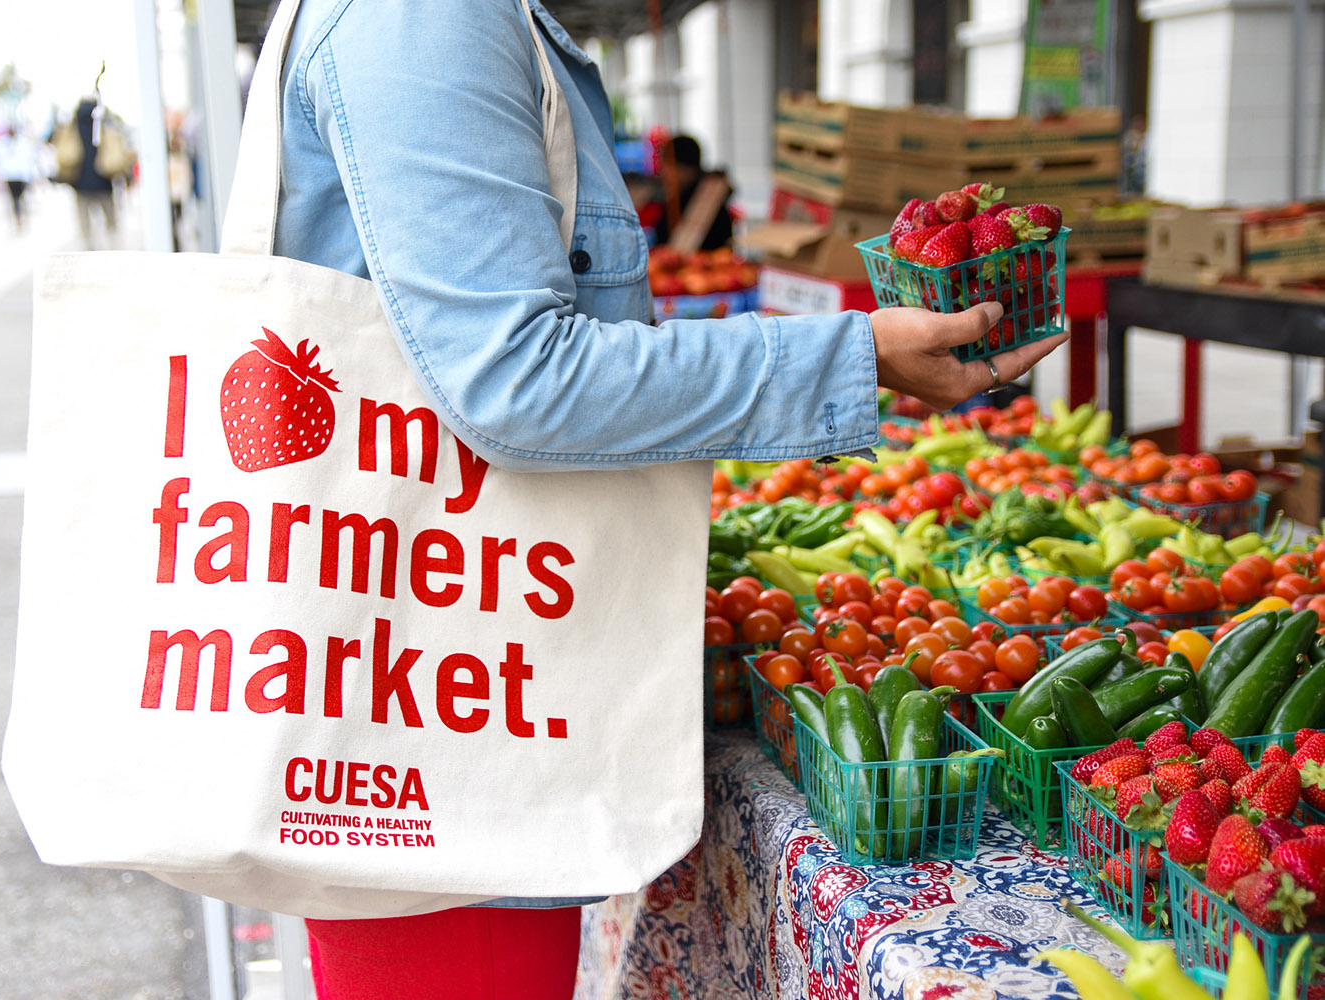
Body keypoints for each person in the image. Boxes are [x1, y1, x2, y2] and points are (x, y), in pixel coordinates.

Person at [271, 1, 1065, 996]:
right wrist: (857, 353)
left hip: (448, 692)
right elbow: (517, 380)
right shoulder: (428, 17)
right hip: (426, 735)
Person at [651, 133, 734, 250]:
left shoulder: (705, 201)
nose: (663, 172)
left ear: (686, 169)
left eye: (668, 164)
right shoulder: (677, 197)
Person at [58, 98, 120, 249]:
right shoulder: (103, 124)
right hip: (103, 180)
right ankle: (114, 251)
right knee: (110, 223)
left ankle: (89, 252)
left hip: (80, 183)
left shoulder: (73, 127)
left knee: (85, 225)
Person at [0, 124, 42, 232]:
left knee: (21, 198)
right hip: (10, 175)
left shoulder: (23, 142)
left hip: (21, 174)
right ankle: (18, 219)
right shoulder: (2, 143)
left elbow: (30, 157)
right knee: (14, 198)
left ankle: (22, 218)